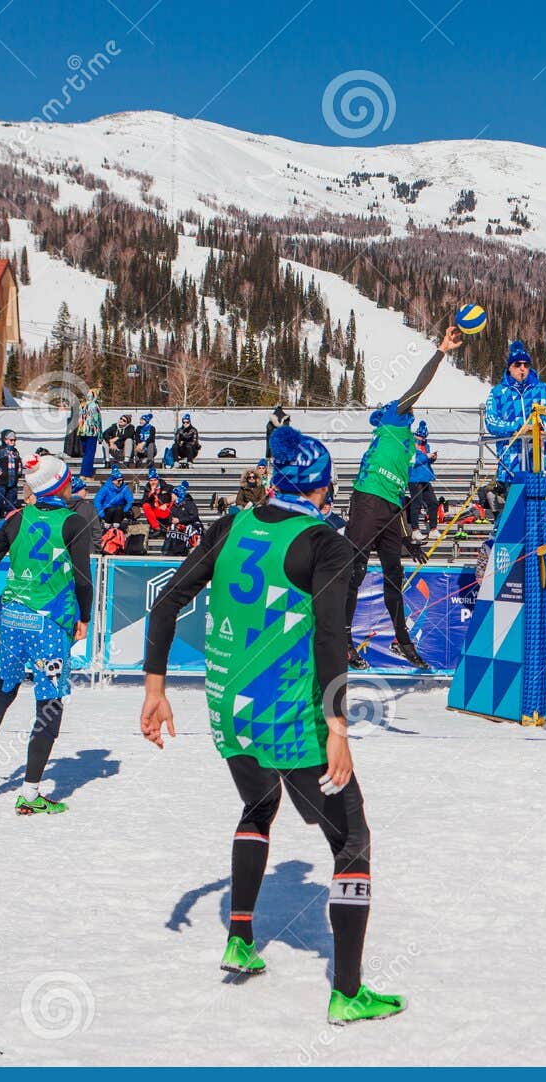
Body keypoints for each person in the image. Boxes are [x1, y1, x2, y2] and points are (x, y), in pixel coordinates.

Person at [139, 423, 406, 1025]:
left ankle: (240, 938)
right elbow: (334, 639)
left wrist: (156, 689)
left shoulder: (234, 523)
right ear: (321, 489)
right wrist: (337, 728)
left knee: (258, 807)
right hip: (290, 721)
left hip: (227, 711)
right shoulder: (326, 544)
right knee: (352, 840)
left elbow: (166, 600)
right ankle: (349, 992)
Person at [0, 454, 94, 816]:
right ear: (60, 485)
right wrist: (84, 619)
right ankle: (30, 794)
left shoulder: (16, 521)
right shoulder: (73, 522)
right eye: (68, 479)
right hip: (49, 624)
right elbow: (83, 579)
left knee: (5, 687)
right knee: (49, 704)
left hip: (13, 618)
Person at [344, 326, 464, 672]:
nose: (408, 407)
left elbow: (401, 495)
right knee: (355, 571)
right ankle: (342, 642)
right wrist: (441, 350)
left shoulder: (408, 442)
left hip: (389, 506)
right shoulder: (394, 421)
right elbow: (419, 385)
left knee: (394, 576)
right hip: (367, 499)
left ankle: (402, 640)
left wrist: (409, 539)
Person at [484, 339, 546, 486]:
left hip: (541, 463)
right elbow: (491, 421)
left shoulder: (544, 390)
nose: (522, 368)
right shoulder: (498, 392)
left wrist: (540, 427)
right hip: (511, 465)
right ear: (510, 368)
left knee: (541, 507)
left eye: (526, 364)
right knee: (514, 507)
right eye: (517, 364)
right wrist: (518, 427)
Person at [407, 420, 439, 540]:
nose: (422, 439)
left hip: (425, 478)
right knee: (417, 503)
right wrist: (426, 456)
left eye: (424, 437)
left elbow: (425, 461)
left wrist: (432, 458)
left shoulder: (426, 445)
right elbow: (413, 461)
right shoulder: (410, 444)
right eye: (421, 437)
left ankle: (433, 529)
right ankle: (415, 530)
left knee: (433, 503)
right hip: (414, 478)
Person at [0, 429, 24, 525]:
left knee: (11, 507)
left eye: (14, 440)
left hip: (12, 484)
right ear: (5, 440)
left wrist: (19, 473)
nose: (13, 442)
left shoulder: (15, 452)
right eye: (11, 440)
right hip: (0, 484)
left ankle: (9, 528)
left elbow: (19, 464)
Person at [163, 481, 203, 555]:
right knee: (172, 528)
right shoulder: (174, 505)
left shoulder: (189, 503)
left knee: (189, 529)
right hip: (180, 526)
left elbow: (194, 517)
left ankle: (189, 550)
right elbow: (171, 517)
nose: (171, 495)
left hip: (192, 525)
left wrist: (179, 520)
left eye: (173, 494)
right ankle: (171, 551)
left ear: (178, 495)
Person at [68, 475, 101, 550]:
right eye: (85, 489)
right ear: (78, 490)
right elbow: (96, 531)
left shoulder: (60, 506)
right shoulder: (89, 508)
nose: (87, 492)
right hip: (87, 551)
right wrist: (96, 549)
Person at [77, 389, 103, 478]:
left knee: (86, 453)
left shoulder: (82, 405)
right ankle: (86, 474)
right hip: (92, 431)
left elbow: (80, 419)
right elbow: (98, 421)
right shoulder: (95, 406)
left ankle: (84, 473)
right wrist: (100, 435)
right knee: (90, 453)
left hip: (82, 431)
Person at [141, 470, 173, 536]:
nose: (153, 482)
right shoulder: (147, 489)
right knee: (145, 506)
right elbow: (143, 502)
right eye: (151, 480)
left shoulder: (168, 487)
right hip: (155, 510)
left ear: (158, 480)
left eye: (155, 480)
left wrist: (167, 504)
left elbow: (174, 499)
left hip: (166, 510)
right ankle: (157, 528)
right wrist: (151, 493)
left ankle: (168, 527)